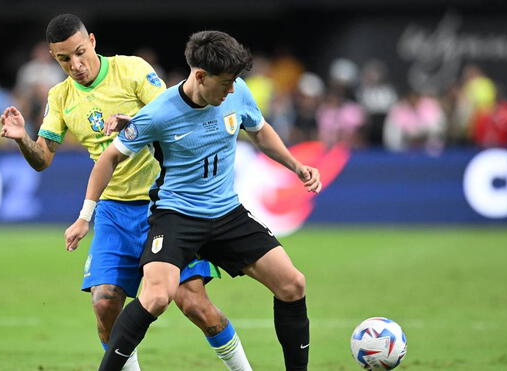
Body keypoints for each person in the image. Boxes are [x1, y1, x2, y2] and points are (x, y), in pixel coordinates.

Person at [0, 15, 252, 371]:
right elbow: (42, 159)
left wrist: (133, 125)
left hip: (166, 205)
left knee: (195, 305)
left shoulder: (132, 71)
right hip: (114, 211)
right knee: (104, 303)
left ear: (92, 40)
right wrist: (23, 138)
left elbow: (177, 116)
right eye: (64, 59)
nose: (76, 65)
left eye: (80, 53)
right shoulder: (60, 97)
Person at [65, 30, 322, 371]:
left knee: (293, 284)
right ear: (200, 76)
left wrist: (295, 165)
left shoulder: (237, 92)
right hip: (177, 217)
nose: (232, 90)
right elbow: (109, 158)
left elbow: (258, 130)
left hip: (227, 214)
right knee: (157, 296)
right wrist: (86, 215)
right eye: (226, 83)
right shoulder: (159, 113)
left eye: (234, 82)